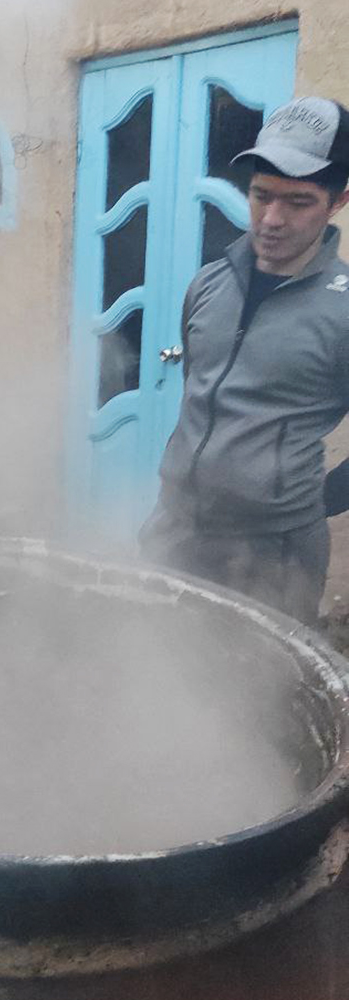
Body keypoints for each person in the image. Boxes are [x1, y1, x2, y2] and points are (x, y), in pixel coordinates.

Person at [139, 96, 349, 625]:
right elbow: (198, 392)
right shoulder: (209, 283)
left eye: (298, 202)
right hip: (174, 532)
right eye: (261, 196)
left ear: (338, 201)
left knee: (259, 701)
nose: (271, 219)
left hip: (273, 559)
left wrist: (304, 504)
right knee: (149, 679)